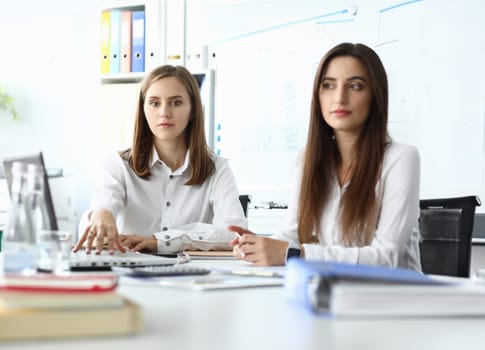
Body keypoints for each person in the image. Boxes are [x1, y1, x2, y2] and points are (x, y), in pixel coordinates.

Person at [229, 42, 421, 270]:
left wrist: (295, 254)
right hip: (335, 292)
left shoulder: (401, 159)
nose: (339, 98)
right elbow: (291, 234)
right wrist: (258, 245)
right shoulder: (311, 160)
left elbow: (385, 258)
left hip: (392, 298)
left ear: (375, 95)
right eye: (329, 85)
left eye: (355, 86)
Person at [73, 65, 247, 254]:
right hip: (128, 274)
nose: (164, 112)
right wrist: (101, 215)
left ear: (193, 110)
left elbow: (234, 234)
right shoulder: (117, 165)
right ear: (144, 109)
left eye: (176, 103)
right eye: (155, 103)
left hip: (189, 276)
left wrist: (161, 242)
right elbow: (100, 209)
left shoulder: (217, 169)